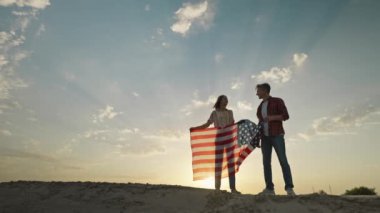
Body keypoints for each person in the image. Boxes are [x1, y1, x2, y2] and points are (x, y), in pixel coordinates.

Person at [190, 95, 240, 194]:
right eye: (224, 100)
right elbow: (207, 124)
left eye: (227, 100)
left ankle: (233, 188)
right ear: (219, 101)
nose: (226, 102)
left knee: (231, 163)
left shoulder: (230, 112)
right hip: (219, 139)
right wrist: (196, 128)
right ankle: (217, 188)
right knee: (218, 164)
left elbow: (233, 125)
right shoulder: (214, 113)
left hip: (229, 138)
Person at [255, 83, 295, 196]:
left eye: (258, 91)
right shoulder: (260, 106)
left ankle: (289, 188)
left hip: (277, 135)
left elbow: (286, 116)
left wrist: (272, 118)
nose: (256, 93)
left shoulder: (277, 101)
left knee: (283, 161)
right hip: (265, 138)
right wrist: (257, 138)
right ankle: (269, 189)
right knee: (266, 163)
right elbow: (261, 122)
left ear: (264, 90)